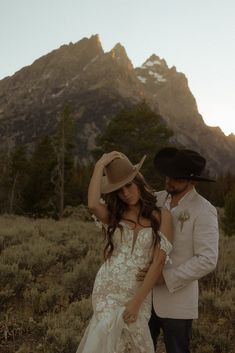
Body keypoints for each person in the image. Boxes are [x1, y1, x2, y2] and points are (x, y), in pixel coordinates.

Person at [76, 151, 173, 353]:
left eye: (129, 185)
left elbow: (158, 262)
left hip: (137, 293)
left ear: (138, 182)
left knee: (133, 344)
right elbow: (93, 204)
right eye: (119, 190)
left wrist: (136, 302)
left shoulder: (162, 215)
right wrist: (99, 165)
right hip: (107, 290)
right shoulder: (114, 216)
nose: (126, 193)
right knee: (106, 344)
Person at [138, 147, 219, 353]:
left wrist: (164, 277)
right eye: (168, 174)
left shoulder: (204, 210)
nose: (169, 180)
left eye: (177, 177)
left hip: (178, 303)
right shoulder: (154, 199)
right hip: (144, 297)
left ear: (192, 181)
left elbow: (207, 259)